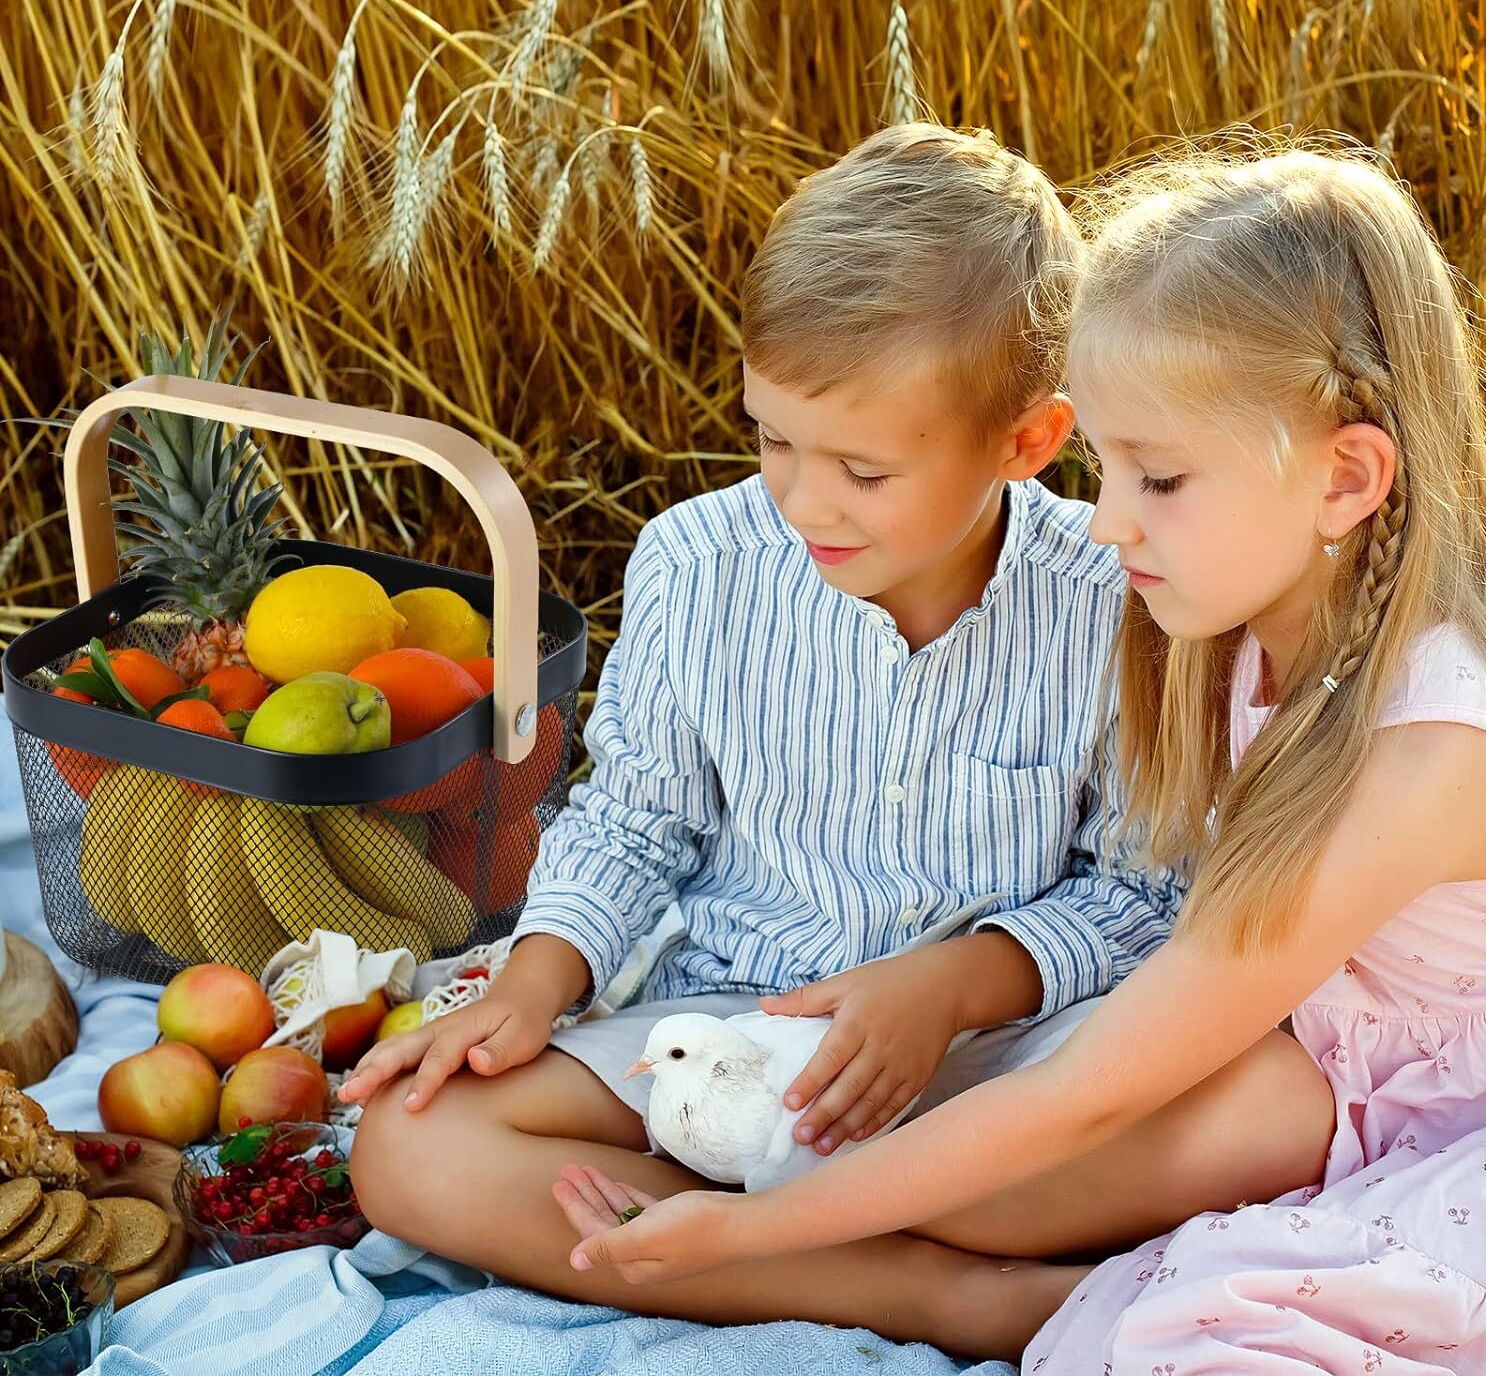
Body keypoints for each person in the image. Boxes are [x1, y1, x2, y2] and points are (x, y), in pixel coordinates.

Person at [343, 126, 1329, 1355]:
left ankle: (817, 1230)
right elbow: (631, 816)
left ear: (1026, 442)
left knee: (1283, 1107)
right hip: (722, 1037)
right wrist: (538, 978)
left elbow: (1148, 885)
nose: (805, 501)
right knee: (410, 1147)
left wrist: (956, 985)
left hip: (999, 1058)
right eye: (773, 441)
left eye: (863, 469)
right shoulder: (699, 563)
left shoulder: (1121, 594)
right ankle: (938, 1293)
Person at [559, 142, 1486, 1370]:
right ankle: (931, 1259)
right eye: (1107, 467)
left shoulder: (1433, 747)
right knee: (933, 1152)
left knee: (975, 1181)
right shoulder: (1226, 616)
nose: (1106, 522)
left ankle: (968, 1289)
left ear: (1347, 480)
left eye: (1158, 478)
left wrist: (755, 1237)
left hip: (1399, 1075)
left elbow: (1086, 1089)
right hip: (1266, 1029)